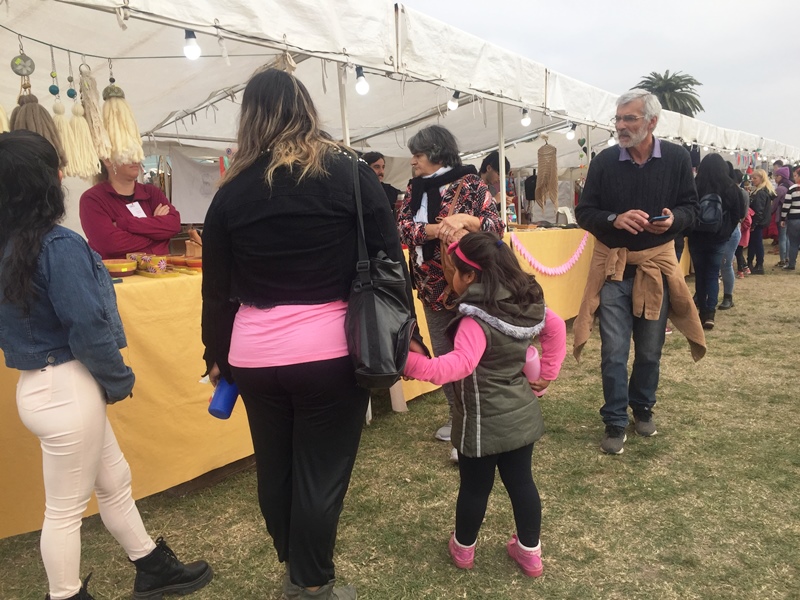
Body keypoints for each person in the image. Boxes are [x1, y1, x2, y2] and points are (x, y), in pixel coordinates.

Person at [201, 69, 417, 600]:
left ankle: (297, 569)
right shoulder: (350, 172)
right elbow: (390, 258)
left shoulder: (231, 191)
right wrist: (406, 331)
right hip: (330, 351)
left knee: (275, 470)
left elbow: (216, 288)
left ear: (249, 117)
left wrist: (215, 353)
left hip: (254, 354)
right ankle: (311, 583)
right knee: (320, 475)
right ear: (306, 108)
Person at [0, 130, 211, 600]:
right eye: (56, 167)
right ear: (46, 180)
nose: (63, 174)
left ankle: (152, 566)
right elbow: (87, 325)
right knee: (64, 510)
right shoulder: (57, 245)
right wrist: (118, 379)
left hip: (43, 386)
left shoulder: (13, 245)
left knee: (114, 480)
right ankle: (65, 595)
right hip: (67, 387)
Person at [403, 232, 566, 578]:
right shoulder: (525, 304)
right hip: (521, 417)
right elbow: (555, 328)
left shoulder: (475, 321)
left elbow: (459, 365)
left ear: (470, 277)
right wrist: (547, 372)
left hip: (481, 424)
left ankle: (463, 548)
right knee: (522, 484)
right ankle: (530, 553)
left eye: (452, 271)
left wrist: (410, 364)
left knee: (475, 488)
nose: (449, 276)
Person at [573, 89, 705, 455]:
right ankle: (615, 420)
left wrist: (674, 220)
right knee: (614, 351)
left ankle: (643, 407)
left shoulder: (677, 158)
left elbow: (692, 209)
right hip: (614, 269)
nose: (621, 125)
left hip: (655, 269)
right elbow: (585, 212)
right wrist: (614, 218)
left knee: (649, 350)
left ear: (652, 122)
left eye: (629, 118)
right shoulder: (604, 161)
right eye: (618, 118)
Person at [396, 125, 505, 456]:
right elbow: (401, 228)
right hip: (430, 287)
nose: (413, 160)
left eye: (418, 154)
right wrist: (436, 229)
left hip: (469, 286)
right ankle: (458, 418)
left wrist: (465, 222)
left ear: (436, 153)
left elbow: (496, 228)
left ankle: (478, 420)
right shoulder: (414, 188)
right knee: (445, 355)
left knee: (474, 356)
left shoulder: (471, 184)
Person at [688, 154, 746, 328]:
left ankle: (702, 310)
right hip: (719, 238)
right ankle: (710, 313)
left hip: (697, 237)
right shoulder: (731, 188)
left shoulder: (695, 186)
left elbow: (687, 210)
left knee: (700, 275)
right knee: (713, 274)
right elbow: (738, 215)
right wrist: (725, 233)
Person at [80, 161, 181, 259]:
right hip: (119, 271)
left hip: (161, 269)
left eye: (137, 154)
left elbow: (174, 225)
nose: (135, 160)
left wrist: (124, 224)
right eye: (128, 155)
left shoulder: (152, 192)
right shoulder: (92, 199)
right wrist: (158, 232)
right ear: (108, 161)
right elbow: (110, 244)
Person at [746, 168, 775, 275]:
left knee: (756, 244)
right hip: (760, 221)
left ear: (761, 178)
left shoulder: (760, 193)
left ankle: (758, 265)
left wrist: (754, 224)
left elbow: (758, 210)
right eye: (752, 178)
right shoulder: (762, 191)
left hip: (757, 222)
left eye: (755, 178)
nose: (752, 180)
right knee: (755, 243)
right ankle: (753, 263)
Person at [780, 166, 800, 270]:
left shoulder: (792, 189)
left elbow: (786, 205)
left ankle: (791, 264)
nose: (794, 178)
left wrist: (783, 218)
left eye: (795, 176)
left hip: (794, 219)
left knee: (794, 243)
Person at [772, 166, 792, 267]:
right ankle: (788, 258)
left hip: (782, 216)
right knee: (788, 237)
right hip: (791, 215)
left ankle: (783, 259)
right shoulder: (792, 186)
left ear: (781, 176)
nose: (775, 178)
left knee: (782, 237)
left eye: (777, 176)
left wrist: (770, 212)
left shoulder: (780, 189)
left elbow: (774, 204)